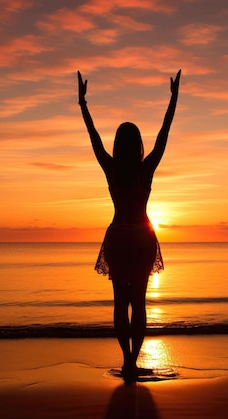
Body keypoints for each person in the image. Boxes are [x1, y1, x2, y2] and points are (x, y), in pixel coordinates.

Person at [78, 69, 181, 382]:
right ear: (137, 145)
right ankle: (133, 362)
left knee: (120, 303)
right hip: (141, 239)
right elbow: (164, 136)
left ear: (118, 144)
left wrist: (83, 105)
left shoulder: (111, 169)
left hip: (119, 238)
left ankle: (126, 361)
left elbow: (93, 138)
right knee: (139, 302)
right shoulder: (145, 169)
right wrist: (173, 100)